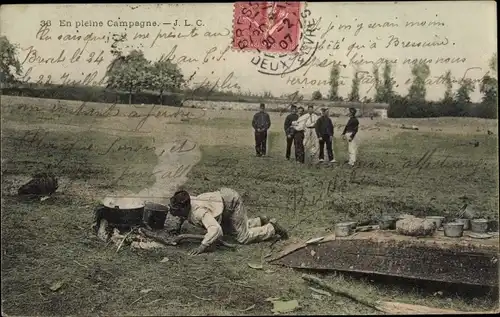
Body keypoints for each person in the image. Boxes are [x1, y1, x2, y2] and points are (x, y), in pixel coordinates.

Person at [168, 188, 289, 255]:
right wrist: (178, 227)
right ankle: (259, 221)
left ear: (184, 207)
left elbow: (215, 229)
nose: (173, 211)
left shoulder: (199, 212)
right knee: (232, 231)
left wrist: (202, 246)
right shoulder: (187, 204)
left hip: (231, 202)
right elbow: (182, 215)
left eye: (176, 209)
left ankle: (272, 227)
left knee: (243, 237)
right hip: (223, 203)